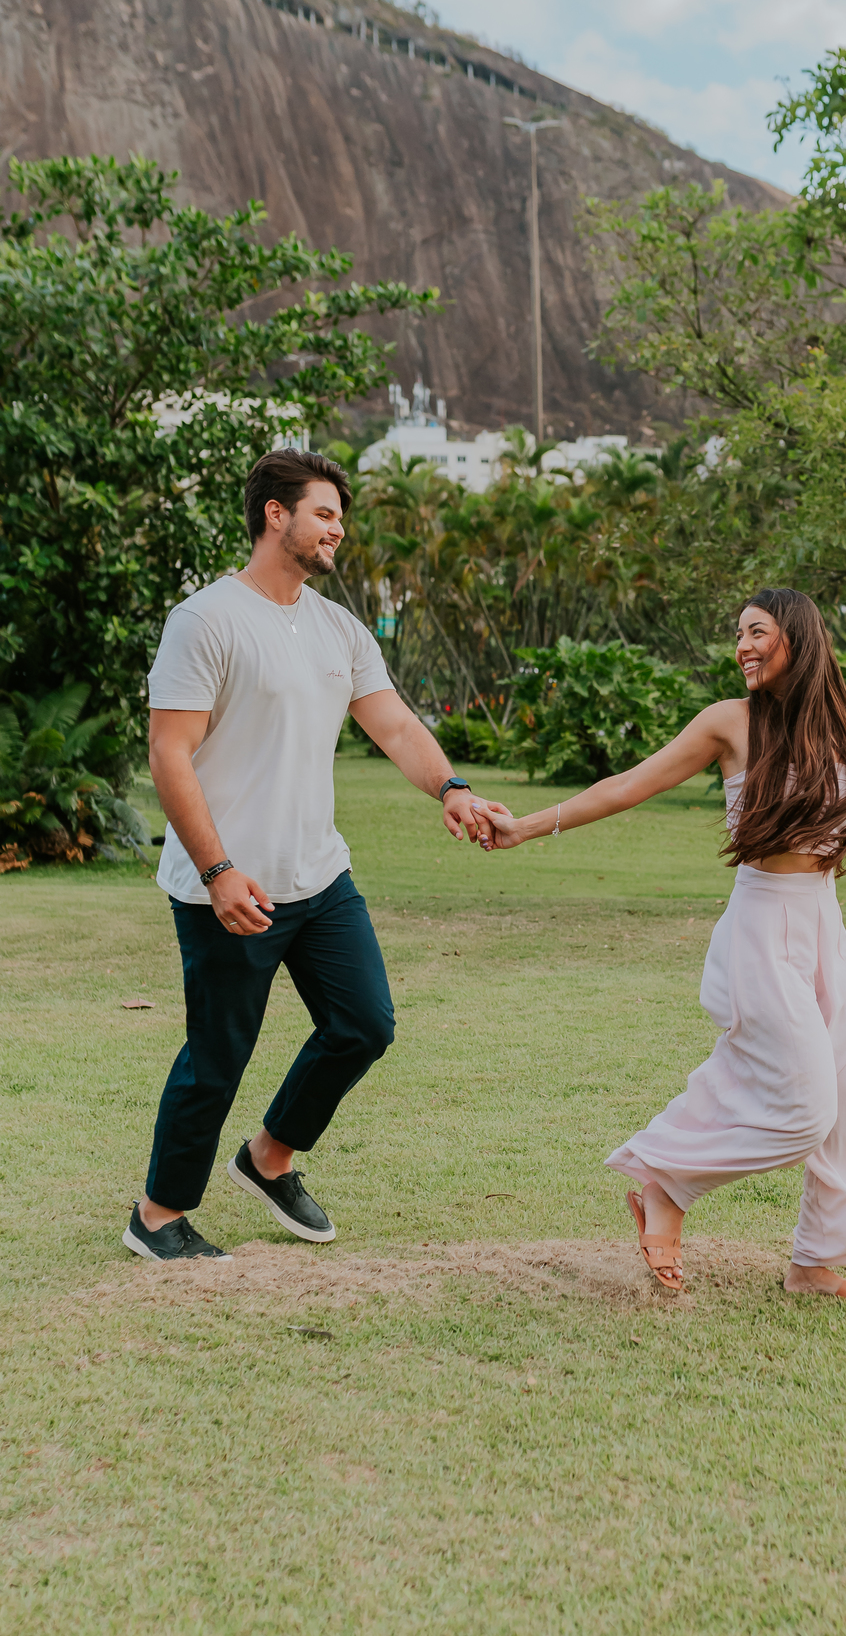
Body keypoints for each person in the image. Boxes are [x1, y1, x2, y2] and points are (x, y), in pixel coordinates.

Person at [486, 589, 846, 1302]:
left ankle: (814, 1261)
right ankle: (665, 1182)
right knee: (806, 1104)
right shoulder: (730, 723)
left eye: (756, 631)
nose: (742, 646)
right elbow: (628, 786)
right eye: (738, 635)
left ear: (799, 637)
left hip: (826, 929)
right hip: (762, 929)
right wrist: (525, 827)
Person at [124, 447, 506, 1263]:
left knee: (363, 1024)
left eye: (340, 516)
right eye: (326, 513)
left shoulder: (339, 628)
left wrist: (453, 789)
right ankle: (156, 1216)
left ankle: (270, 1157)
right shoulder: (206, 619)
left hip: (320, 875)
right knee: (219, 1054)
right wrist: (218, 871)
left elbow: (395, 726)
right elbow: (169, 753)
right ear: (276, 514)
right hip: (230, 884)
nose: (340, 529)